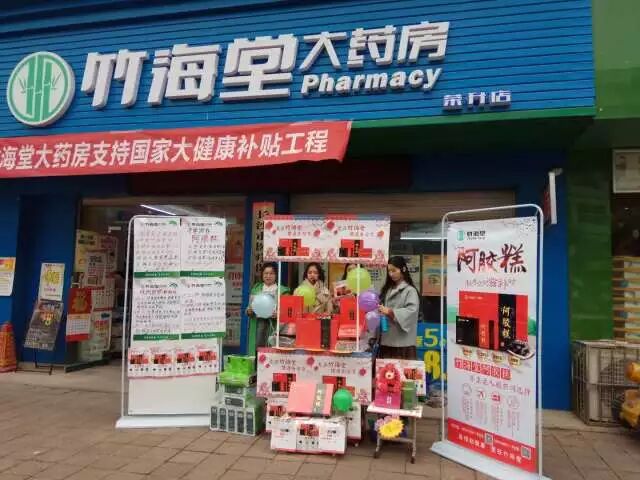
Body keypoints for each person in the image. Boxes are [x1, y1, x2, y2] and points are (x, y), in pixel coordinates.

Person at [377, 256, 420, 359]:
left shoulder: (410, 290)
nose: (391, 274)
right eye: (389, 271)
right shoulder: (387, 289)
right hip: (386, 340)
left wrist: (390, 312)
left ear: (403, 269)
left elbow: (411, 311)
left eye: (394, 270)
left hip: (403, 343)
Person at [247, 263, 290, 349]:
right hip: (258, 324)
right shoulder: (256, 289)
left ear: (276, 275)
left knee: (272, 349)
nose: (268, 276)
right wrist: (249, 310)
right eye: (266, 273)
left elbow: (288, 312)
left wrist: (279, 314)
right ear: (262, 275)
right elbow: (249, 307)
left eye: (271, 273)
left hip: (275, 326)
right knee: (258, 348)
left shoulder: (283, 291)